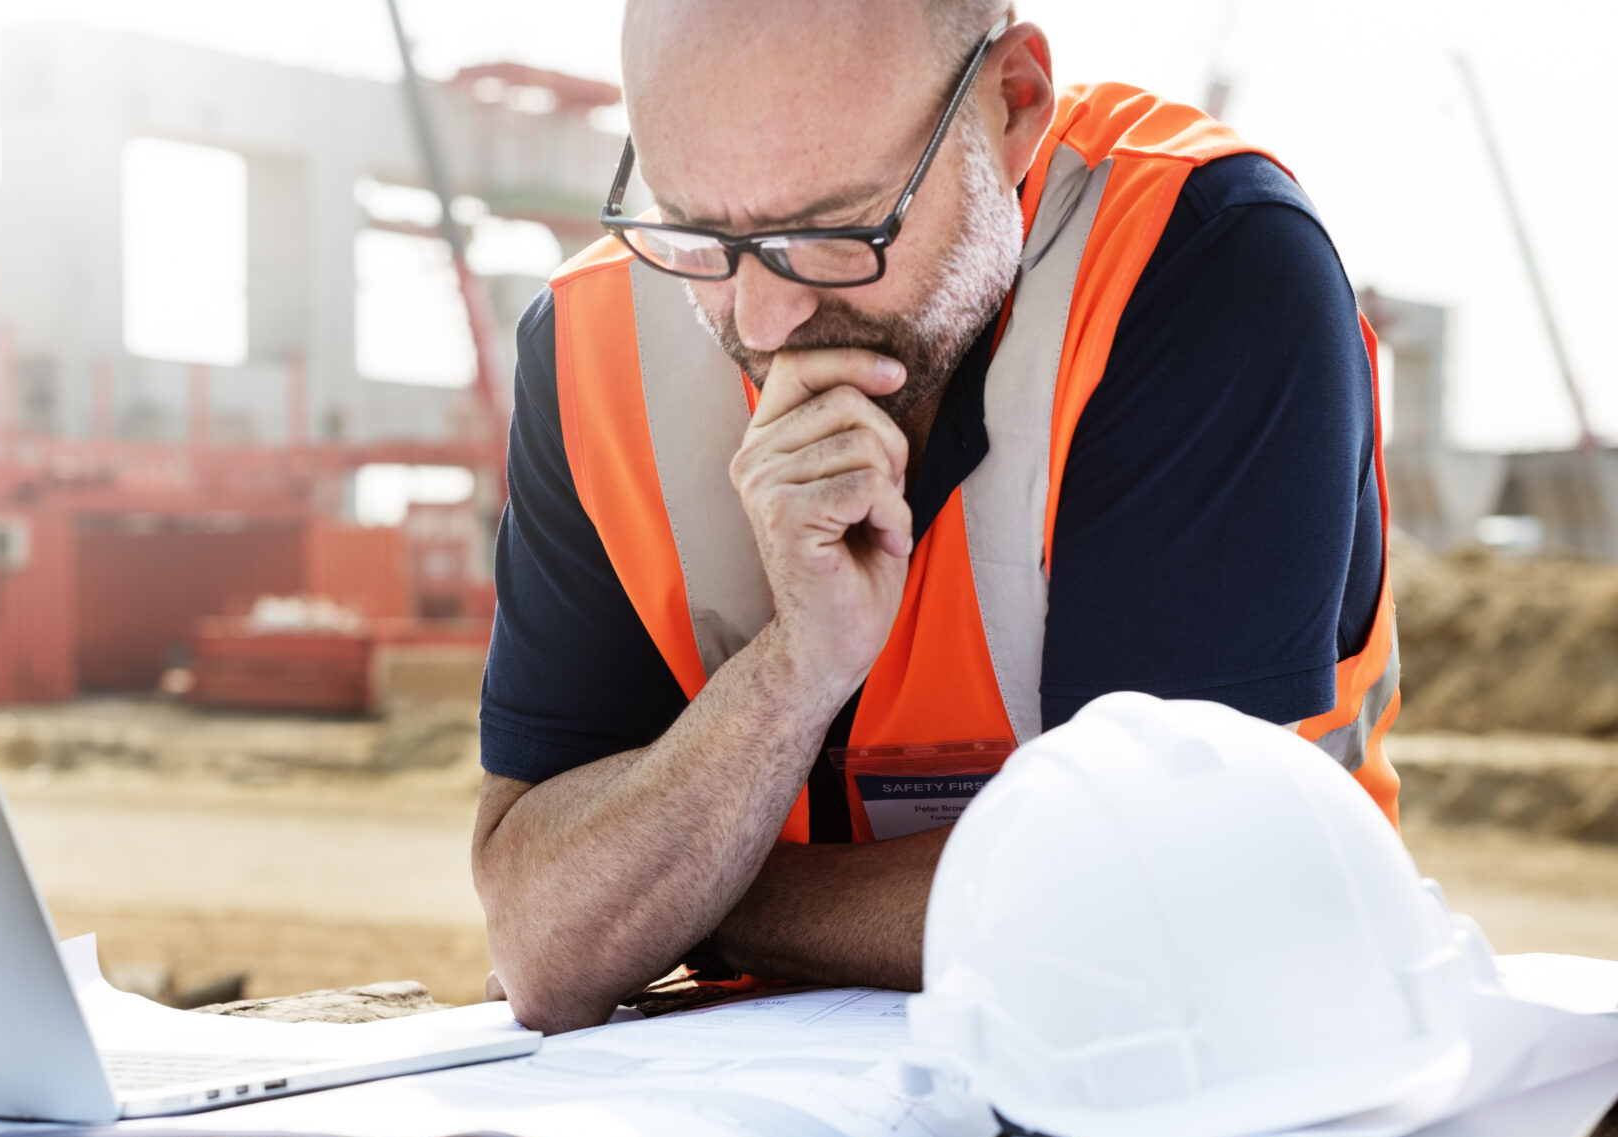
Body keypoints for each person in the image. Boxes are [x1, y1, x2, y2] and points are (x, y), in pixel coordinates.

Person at [473, 0, 1398, 1032]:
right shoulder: (592, 345)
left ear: (1013, 105)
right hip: (751, 1110)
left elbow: (1155, 902)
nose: (762, 318)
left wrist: (689, 906)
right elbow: (544, 941)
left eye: (835, 229)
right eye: (696, 229)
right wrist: (795, 669)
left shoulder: (1200, 259)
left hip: (1217, 1081)